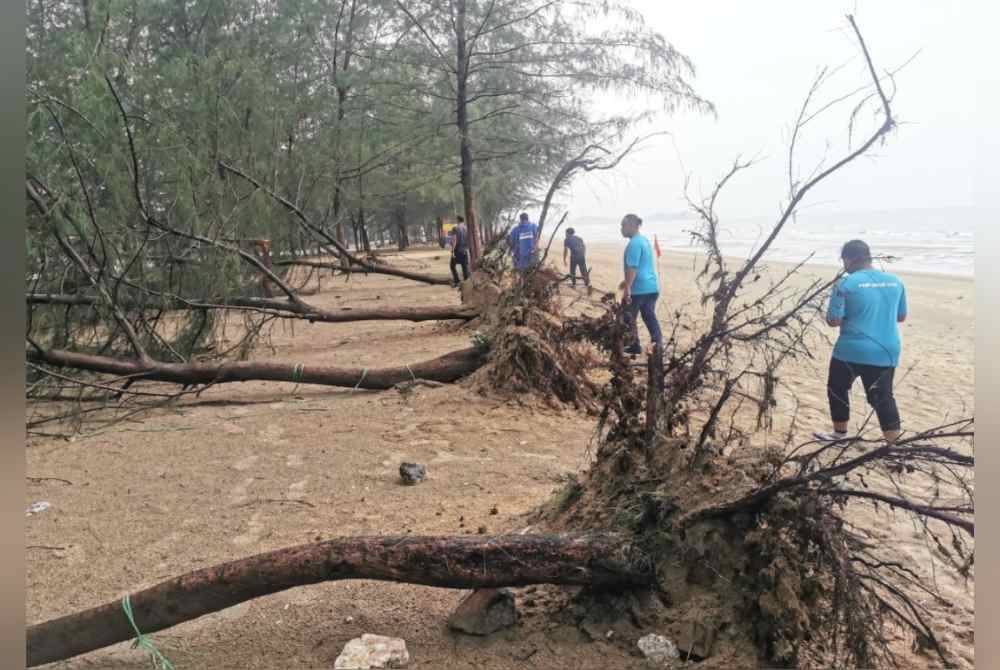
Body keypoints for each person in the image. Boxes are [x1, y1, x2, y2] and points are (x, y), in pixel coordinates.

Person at [814, 239, 907, 444]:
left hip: (851, 350)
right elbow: (901, 317)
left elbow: (833, 320)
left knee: (837, 388)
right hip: (887, 349)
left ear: (849, 259)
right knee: (883, 397)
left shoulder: (846, 283)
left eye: (843, 260)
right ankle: (894, 445)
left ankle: (840, 435)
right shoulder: (896, 282)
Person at [618, 213, 662, 356]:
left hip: (639, 288)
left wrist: (627, 288)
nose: (621, 229)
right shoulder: (644, 241)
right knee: (649, 316)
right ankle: (658, 344)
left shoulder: (634, 243)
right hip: (652, 287)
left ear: (632, 225)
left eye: (623, 225)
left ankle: (634, 345)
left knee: (627, 317)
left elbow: (633, 267)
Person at [448, 216, 470, 287]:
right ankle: (467, 283)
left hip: (457, 251)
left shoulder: (455, 228)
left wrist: (452, 250)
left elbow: (454, 240)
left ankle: (457, 281)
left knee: (452, 266)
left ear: (458, 220)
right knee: (464, 267)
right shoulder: (466, 228)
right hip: (465, 251)